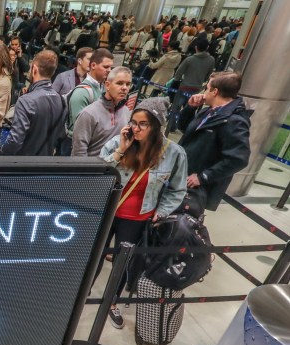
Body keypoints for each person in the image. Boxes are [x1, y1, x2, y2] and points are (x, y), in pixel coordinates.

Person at [98, 97, 188, 328]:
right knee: (94, 256)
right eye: (133, 122)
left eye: (142, 124)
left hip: (137, 218)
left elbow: (177, 189)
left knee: (122, 262)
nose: (135, 129)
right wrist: (121, 150)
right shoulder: (119, 143)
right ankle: (80, 294)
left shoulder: (174, 153)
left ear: (156, 127)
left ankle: (111, 302)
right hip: (107, 211)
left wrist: (162, 211)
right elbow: (100, 175)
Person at [178, 71, 250, 211]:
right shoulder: (208, 112)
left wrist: (203, 177)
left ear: (215, 91)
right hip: (181, 176)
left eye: (207, 87)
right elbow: (184, 128)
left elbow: (239, 159)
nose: (204, 91)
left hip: (196, 189)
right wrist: (190, 108)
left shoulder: (234, 121)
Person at [0, 50, 66, 156]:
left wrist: (1, 153)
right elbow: (61, 135)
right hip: (46, 164)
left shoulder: (26, 101)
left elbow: (15, 140)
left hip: (24, 165)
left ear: (34, 69)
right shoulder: (61, 100)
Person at [62, 48, 114, 156]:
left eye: (110, 67)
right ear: (93, 65)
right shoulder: (82, 93)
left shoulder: (102, 88)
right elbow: (79, 131)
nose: (109, 70)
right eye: (105, 67)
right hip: (76, 149)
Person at [72, 66, 133, 157]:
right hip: (94, 168)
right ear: (107, 85)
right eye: (119, 83)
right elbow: (78, 153)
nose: (124, 88)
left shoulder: (126, 111)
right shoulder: (89, 114)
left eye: (128, 84)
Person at [167, 40, 216, 132]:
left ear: (196, 47)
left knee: (176, 107)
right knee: (190, 109)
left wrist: (177, 80)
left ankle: (171, 126)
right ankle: (186, 127)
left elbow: (178, 72)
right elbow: (209, 74)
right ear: (207, 48)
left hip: (184, 86)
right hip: (197, 88)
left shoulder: (189, 59)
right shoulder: (211, 60)